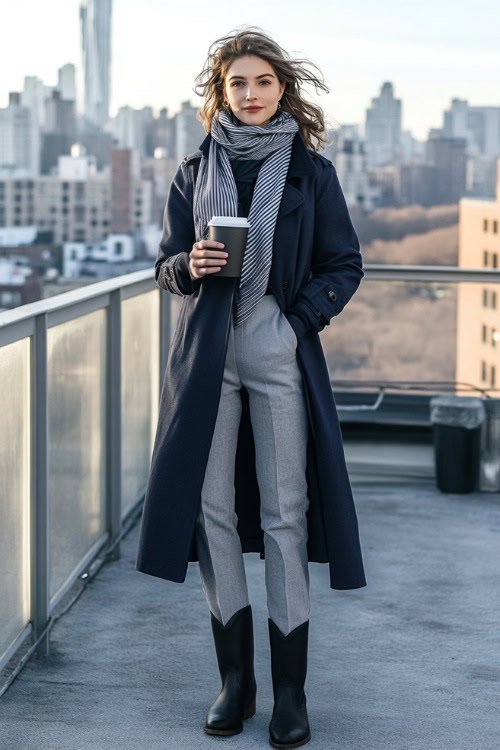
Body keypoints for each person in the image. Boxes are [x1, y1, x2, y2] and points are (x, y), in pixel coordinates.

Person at [135, 25, 366, 750]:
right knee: (212, 513)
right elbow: (166, 264)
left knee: (283, 510)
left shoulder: (311, 173)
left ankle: (291, 694)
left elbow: (344, 264)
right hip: (205, 349)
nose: (252, 93)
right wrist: (190, 266)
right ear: (221, 94)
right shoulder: (191, 171)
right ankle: (236, 683)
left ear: (282, 88)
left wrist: (295, 323)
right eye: (238, 83)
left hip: (276, 339)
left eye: (263, 81)